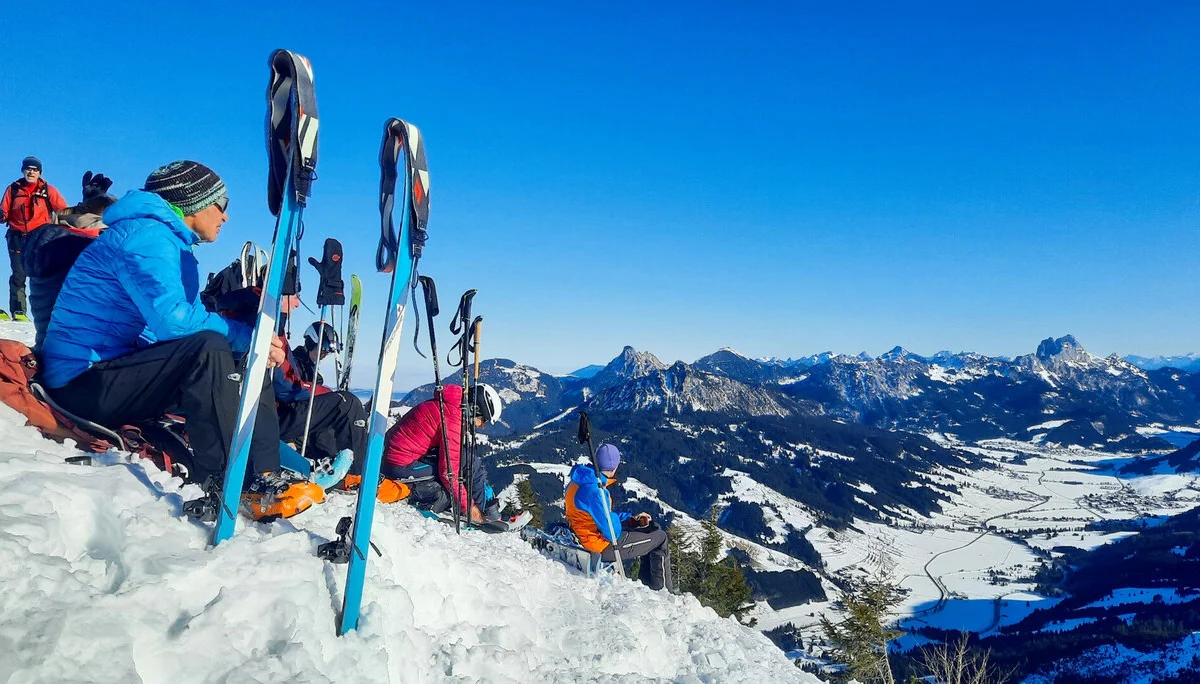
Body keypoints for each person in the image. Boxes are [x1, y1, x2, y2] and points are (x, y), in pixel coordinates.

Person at [40, 160, 322, 520]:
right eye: (223, 206)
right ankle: (221, 477)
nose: (226, 218)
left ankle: (263, 473)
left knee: (239, 353)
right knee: (211, 347)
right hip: (80, 381)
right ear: (196, 202)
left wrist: (255, 345)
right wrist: (250, 336)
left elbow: (171, 327)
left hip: (111, 371)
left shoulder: (169, 242)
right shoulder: (146, 236)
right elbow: (174, 324)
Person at [22, 172, 118, 352]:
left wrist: (90, 206)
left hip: (48, 349)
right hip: (82, 358)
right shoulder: (87, 251)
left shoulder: (53, 243)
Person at [381, 383, 504, 521]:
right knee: (468, 462)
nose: (481, 425)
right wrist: (468, 507)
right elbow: (449, 472)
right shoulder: (453, 419)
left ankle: (484, 506)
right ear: (474, 409)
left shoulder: (448, 405)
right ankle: (483, 513)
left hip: (391, 459)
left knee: (464, 460)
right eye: (482, 420)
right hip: (399, 466)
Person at [565, 443, 674, 592]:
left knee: (651, 528)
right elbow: (612, 533)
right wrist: (623, 521)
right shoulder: (595, 491)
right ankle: (664, 591)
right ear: (614, 467)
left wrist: (630, 520)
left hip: (584, 535)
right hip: (598, 545)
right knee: (660, 538)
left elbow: (598, 517)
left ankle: (649, 585)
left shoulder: (580, 480)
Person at [0, 157, 69, 321]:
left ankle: (47, 314)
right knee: (18, 274)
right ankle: (19, 312)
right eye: (28, 169)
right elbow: (4, 212)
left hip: (40, 238)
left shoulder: (48, 190)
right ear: (23, 170)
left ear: (40, 173)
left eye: (35, 169)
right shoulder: (13, 189)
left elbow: (64, 210)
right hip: (17, 237)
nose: (31, 172)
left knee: (42, 276)